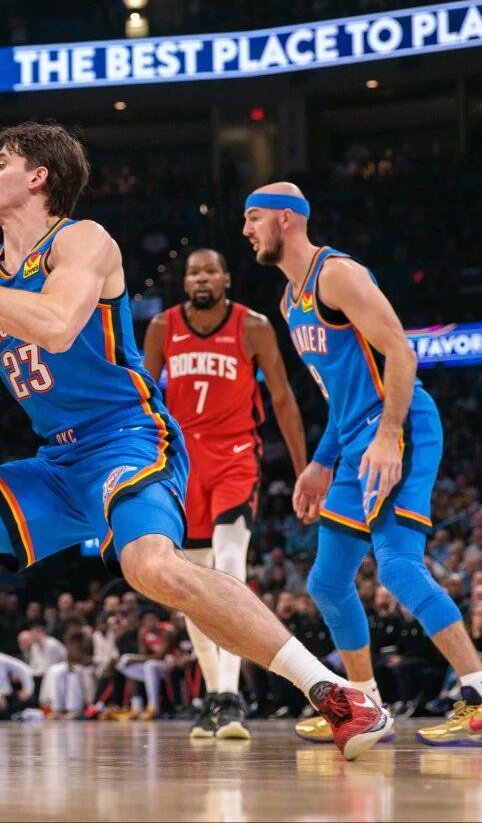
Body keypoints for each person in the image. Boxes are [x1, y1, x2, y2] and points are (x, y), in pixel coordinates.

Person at [0, 122, 391, 764]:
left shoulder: (82, 240)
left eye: (0, 163)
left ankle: (336, 692)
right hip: (57, 462)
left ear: (39, 176)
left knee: (152, 567)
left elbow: (58, 325)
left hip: (129, 439)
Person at [242, 182, 482, 747]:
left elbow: (401, 350)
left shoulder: (336, 274)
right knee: (326, 581)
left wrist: (390, 434)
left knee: (396, 566)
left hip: (398, 426)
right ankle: (366, 705)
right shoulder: (289, 301)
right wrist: (321, 463)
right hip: (352, 442)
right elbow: (339, 396)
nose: (246, 230)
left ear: (287, 219)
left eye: (254, 218)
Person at [142, 247, 307, 740]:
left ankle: (231, 696)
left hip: (235, 456)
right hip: (182, 462)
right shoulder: (162, 327)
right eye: (194, 272)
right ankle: (216, 694)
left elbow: (282, 397)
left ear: (226, 279)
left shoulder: (253, 326)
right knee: (192, 582)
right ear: (185, 282)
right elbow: (144, 398)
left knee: (230, 564)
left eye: (211, 270)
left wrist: (302, 470)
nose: (202, 278)